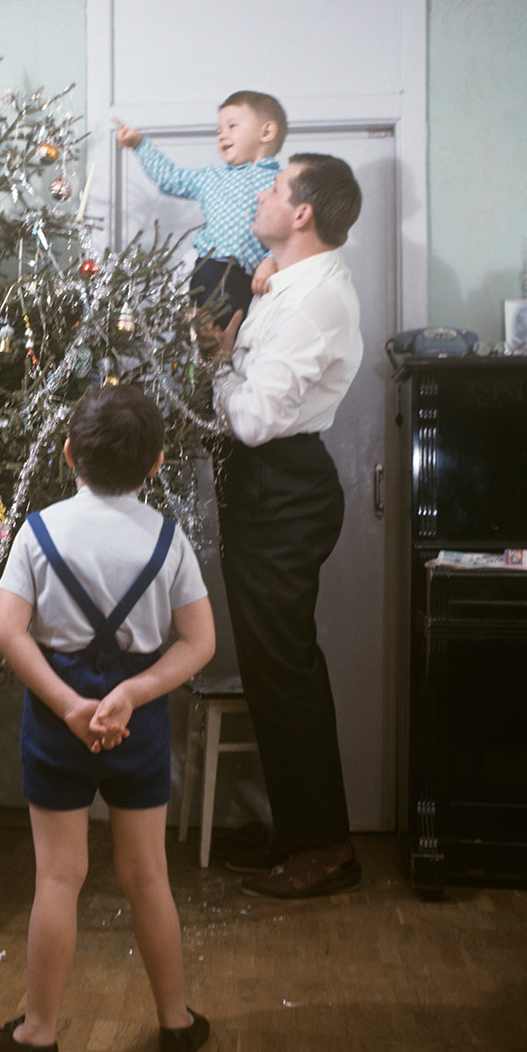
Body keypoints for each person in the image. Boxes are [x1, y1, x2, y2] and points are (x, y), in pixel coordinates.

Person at [0, 385, 216, 1052]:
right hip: (137, 728)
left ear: (68, 454)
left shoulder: (39, 531)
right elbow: (198, 643)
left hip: (58, 728)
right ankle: (176, 1024)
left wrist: (68, 704)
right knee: (147, 877)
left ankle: (38, 1036)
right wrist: (135, 692)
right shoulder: (169, 540)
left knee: (58, 877)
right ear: (157, 463)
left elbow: (6, 630)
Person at [195, 153, 365, 900]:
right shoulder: (285, 283)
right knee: (271, 668)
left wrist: (224, 363)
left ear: (302, 213)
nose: (257, 195)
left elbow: (257, 420)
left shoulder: (308, 301)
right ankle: (299, 831)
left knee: (285, 670)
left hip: (281, 487)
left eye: (271, 188)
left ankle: (326, 848)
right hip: (268, 490)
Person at [114, 91, 287, 330]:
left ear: (266, 132)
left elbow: (291, 232)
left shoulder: (283, 184)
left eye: (232, 126)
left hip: (255, 281)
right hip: (211, 270)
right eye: (218, 131)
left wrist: (272, 259)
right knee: (206, 337)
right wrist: (139, 144)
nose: (222, 135)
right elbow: (170, 178)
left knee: (243, 341)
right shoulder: (210, 178)